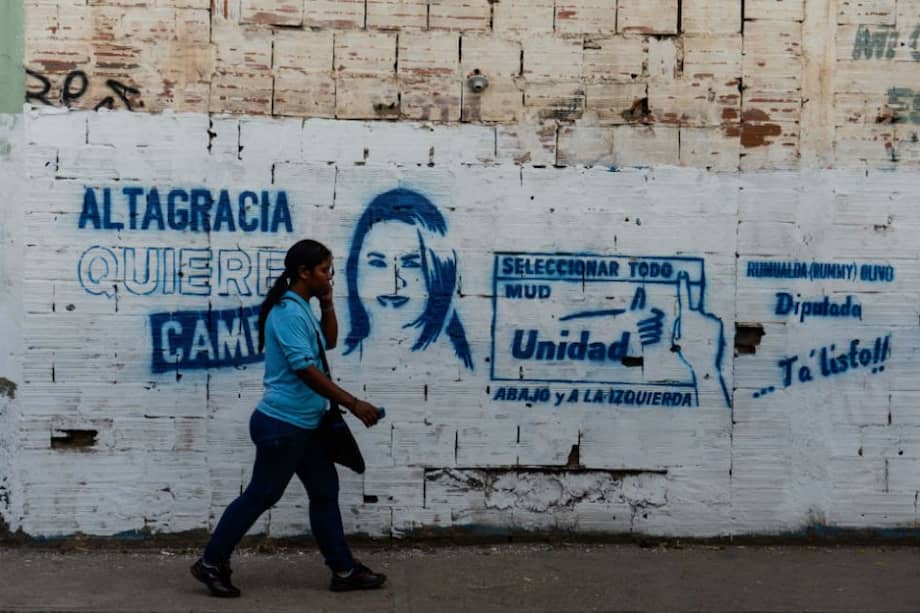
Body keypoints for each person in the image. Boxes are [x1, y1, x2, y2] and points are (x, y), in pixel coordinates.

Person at [190, 239, 387, 597]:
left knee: (325, 492)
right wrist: (354, 403)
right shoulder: (286, 312)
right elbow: (306, 370)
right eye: (325, 271)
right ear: (303, 272)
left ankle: (343, 571)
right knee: (261, 495)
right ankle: (210, 562)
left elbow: (328, 342)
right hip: (282, 425)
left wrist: (327, 305)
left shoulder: (302, 308)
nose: (330, 277)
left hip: (305, 427)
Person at [343, 188, 473, 370]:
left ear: (440, 272)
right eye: (377, 263)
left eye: (411, 264)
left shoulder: (455, 365)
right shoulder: (344, 360)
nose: (394, 282)